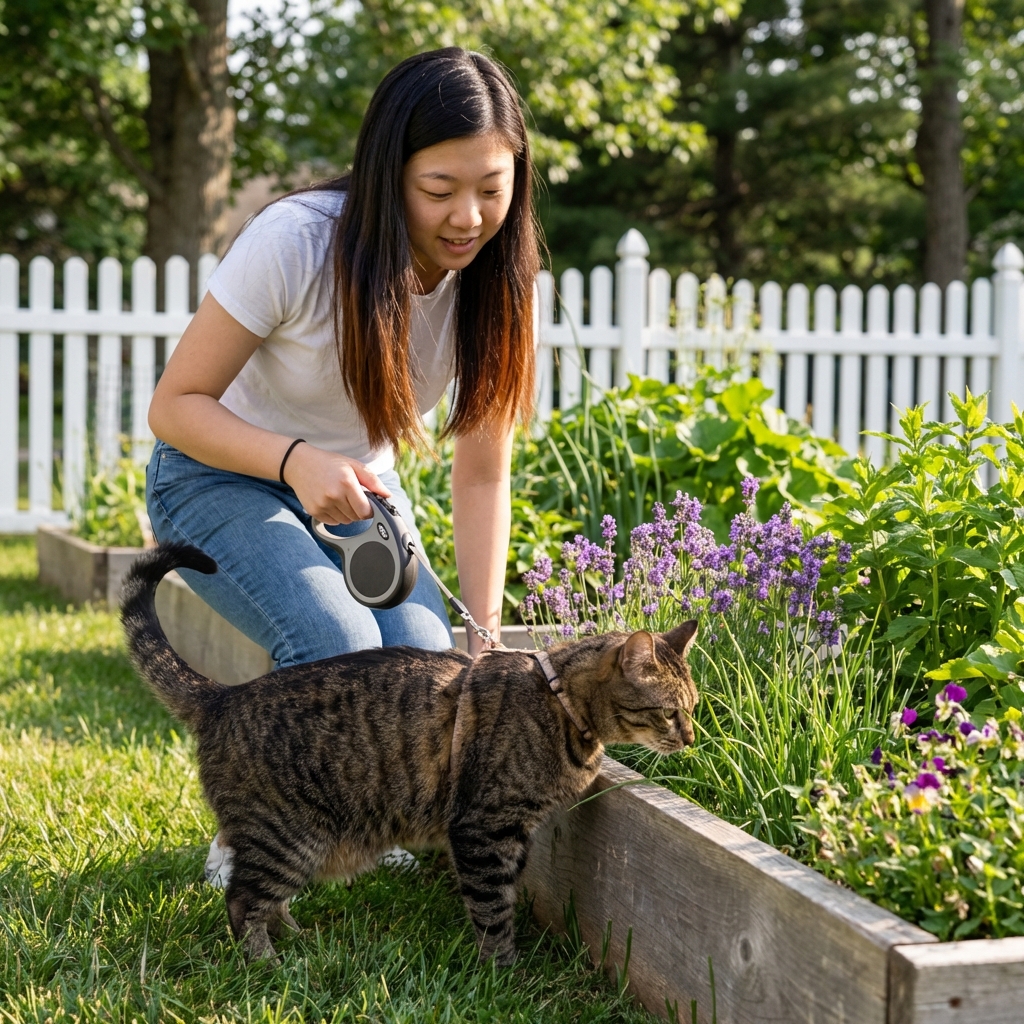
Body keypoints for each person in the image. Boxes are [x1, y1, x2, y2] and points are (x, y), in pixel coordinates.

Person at [145, 47, 540, 884]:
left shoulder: (501, 283)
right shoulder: (296, 242)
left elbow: (481, 473)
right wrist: (292, 462)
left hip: (358, 495)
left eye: (491, 189)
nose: (468, 217)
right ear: (387, 173)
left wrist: (483, 634)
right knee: (333, 638)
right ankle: (248, 837)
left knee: (427, 665)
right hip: (213, 475)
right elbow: (175, 406)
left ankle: (366, 824)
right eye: (439, 190)